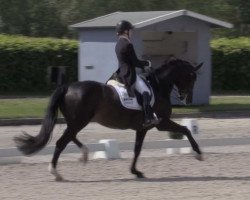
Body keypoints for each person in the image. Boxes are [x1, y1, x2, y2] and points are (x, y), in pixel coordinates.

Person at [115, 20, 160, 128]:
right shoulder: (127, 44)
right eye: (131, 30)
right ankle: (148, 117)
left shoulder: (118, 44)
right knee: (145, 91)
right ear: (126, 31)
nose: (132, 33)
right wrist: (147, 63)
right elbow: (135, 62)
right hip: (129, 75)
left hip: (120, 73)